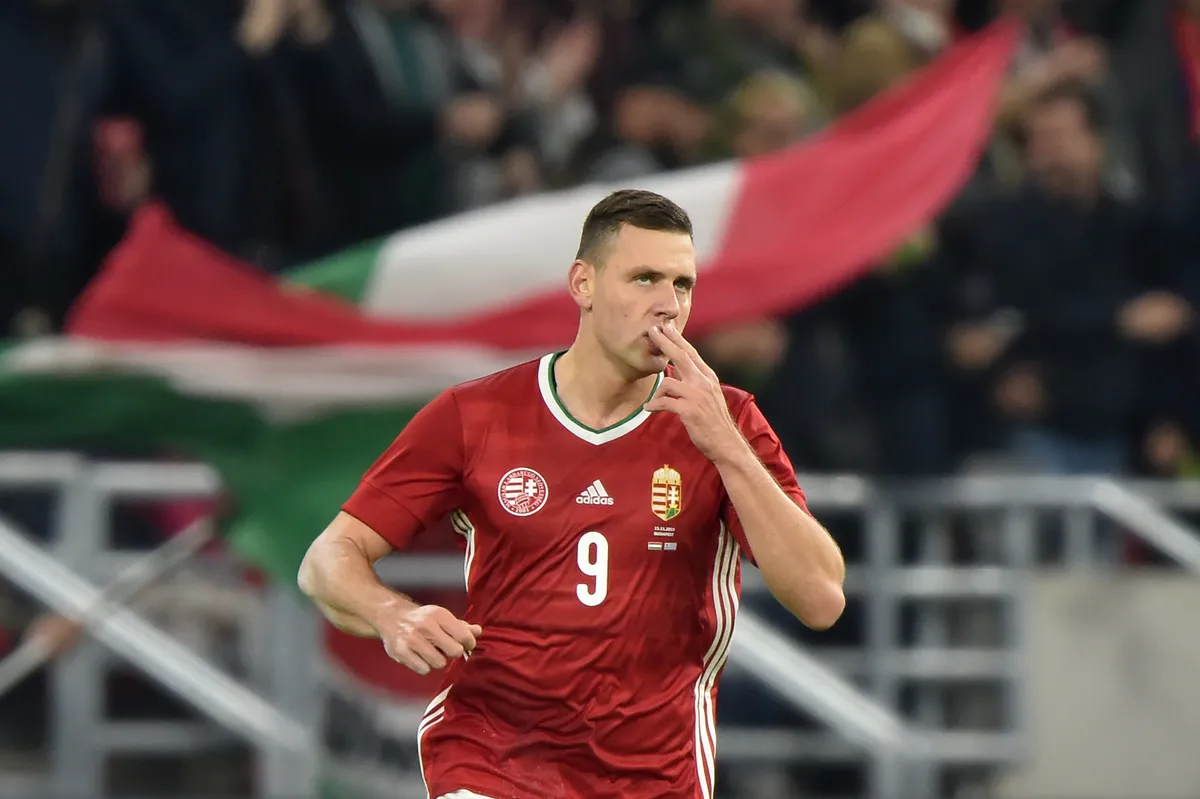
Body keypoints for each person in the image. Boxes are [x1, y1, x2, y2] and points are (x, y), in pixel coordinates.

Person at [298, 189, 846, 799]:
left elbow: (821, 599)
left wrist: (727, 449)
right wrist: (393, 615)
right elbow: (327, 561)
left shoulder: (728, 422)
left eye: (683, 285)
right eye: (644, 279)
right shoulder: (475, 415)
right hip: (494, 760)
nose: (668, 306)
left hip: (656, 777)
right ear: (583, 283)